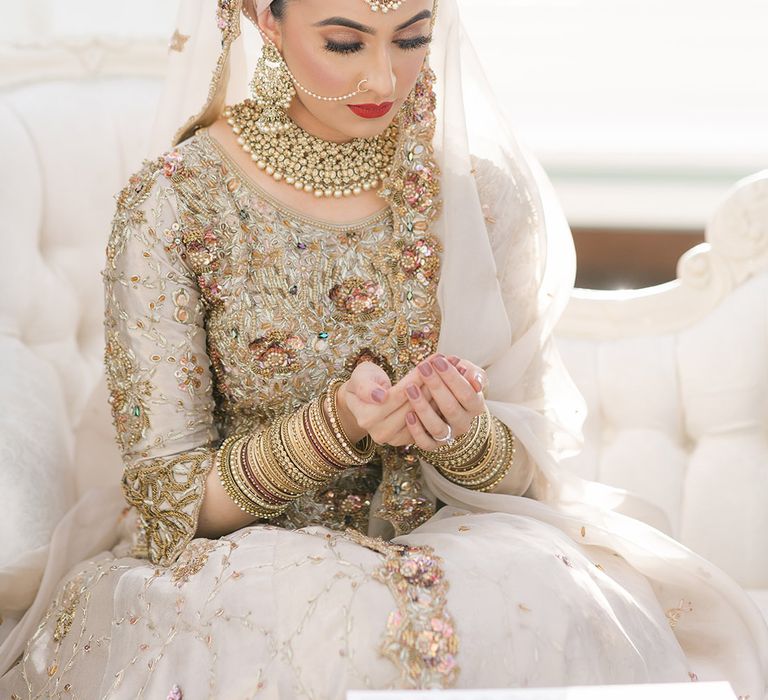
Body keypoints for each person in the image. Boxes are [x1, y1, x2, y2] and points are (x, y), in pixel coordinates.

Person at [1, 0, 766, 696]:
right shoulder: (175, 203)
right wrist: (331, 430)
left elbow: (532, 474)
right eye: (344, 41)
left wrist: (464, 435)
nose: (383, 76)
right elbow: (170, 503)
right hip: (240, 567)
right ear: (264, 20)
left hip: (463, 549)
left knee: (561, 606)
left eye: (412, 39)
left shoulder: (480, 198)